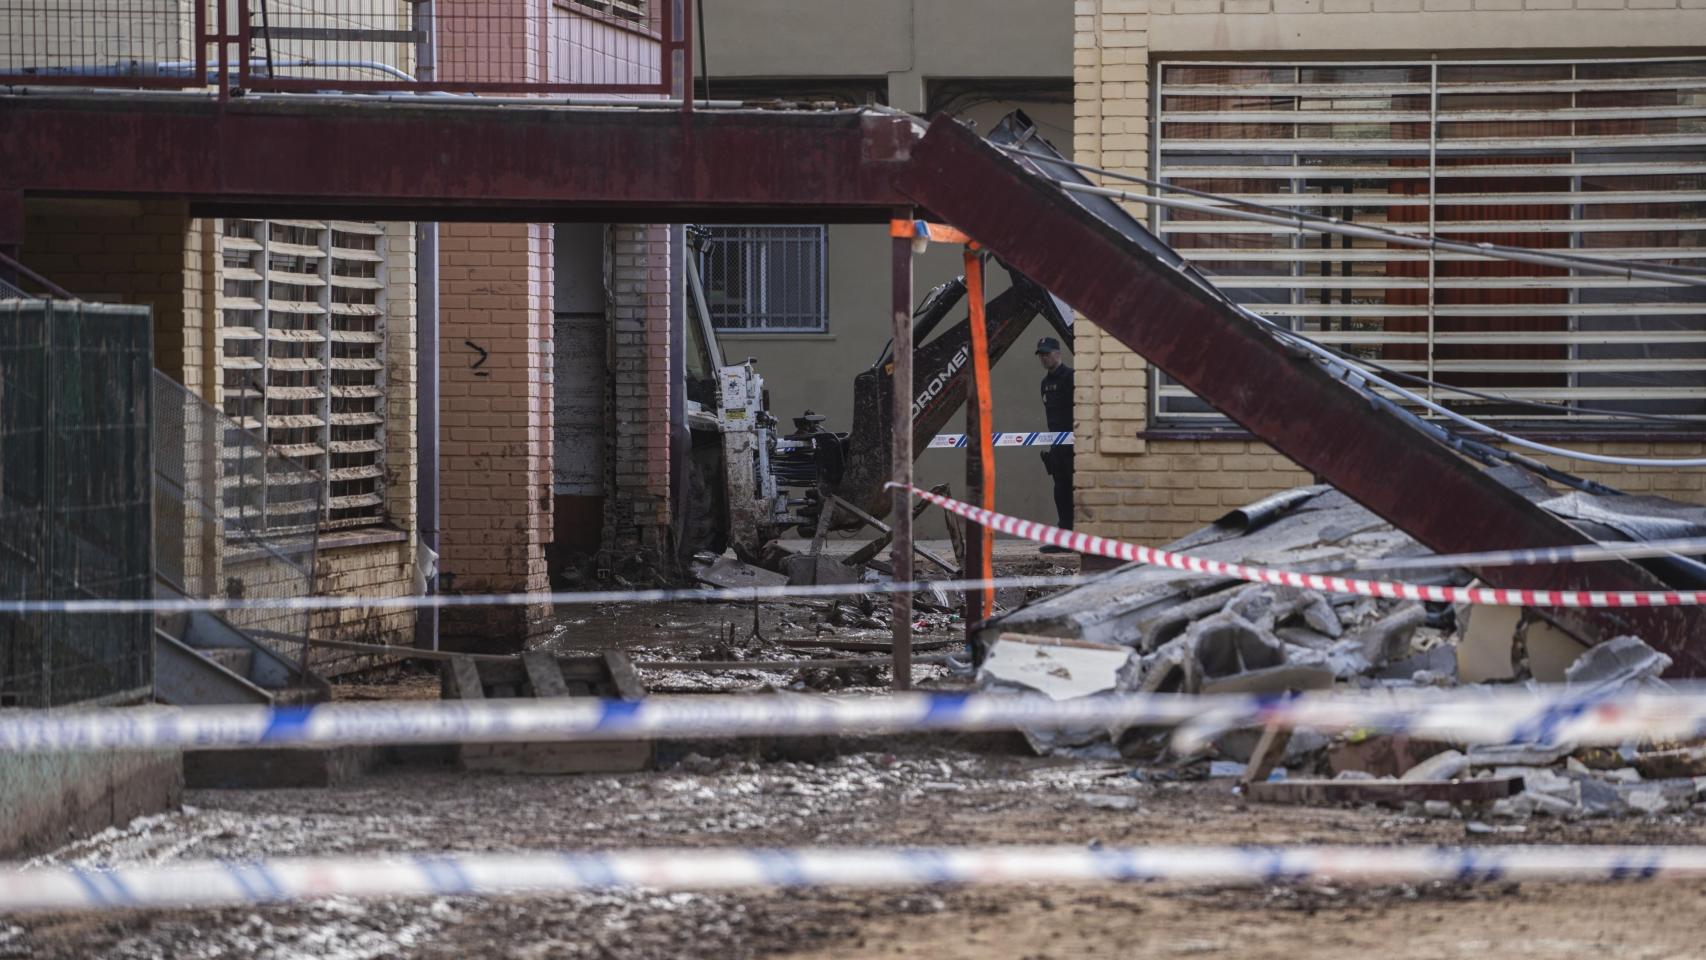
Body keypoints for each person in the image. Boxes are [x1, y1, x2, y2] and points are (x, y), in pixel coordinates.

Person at [1036, 337, 1074, 553]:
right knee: (1061, 493)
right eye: (1041, 354)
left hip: (1073, 445)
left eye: (1047, 353)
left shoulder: (1070, 378)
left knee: (1076, 492)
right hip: (1057, 446)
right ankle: (1065, 537)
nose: (1044, 357)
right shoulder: (1044, 383)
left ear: (1058, 353)